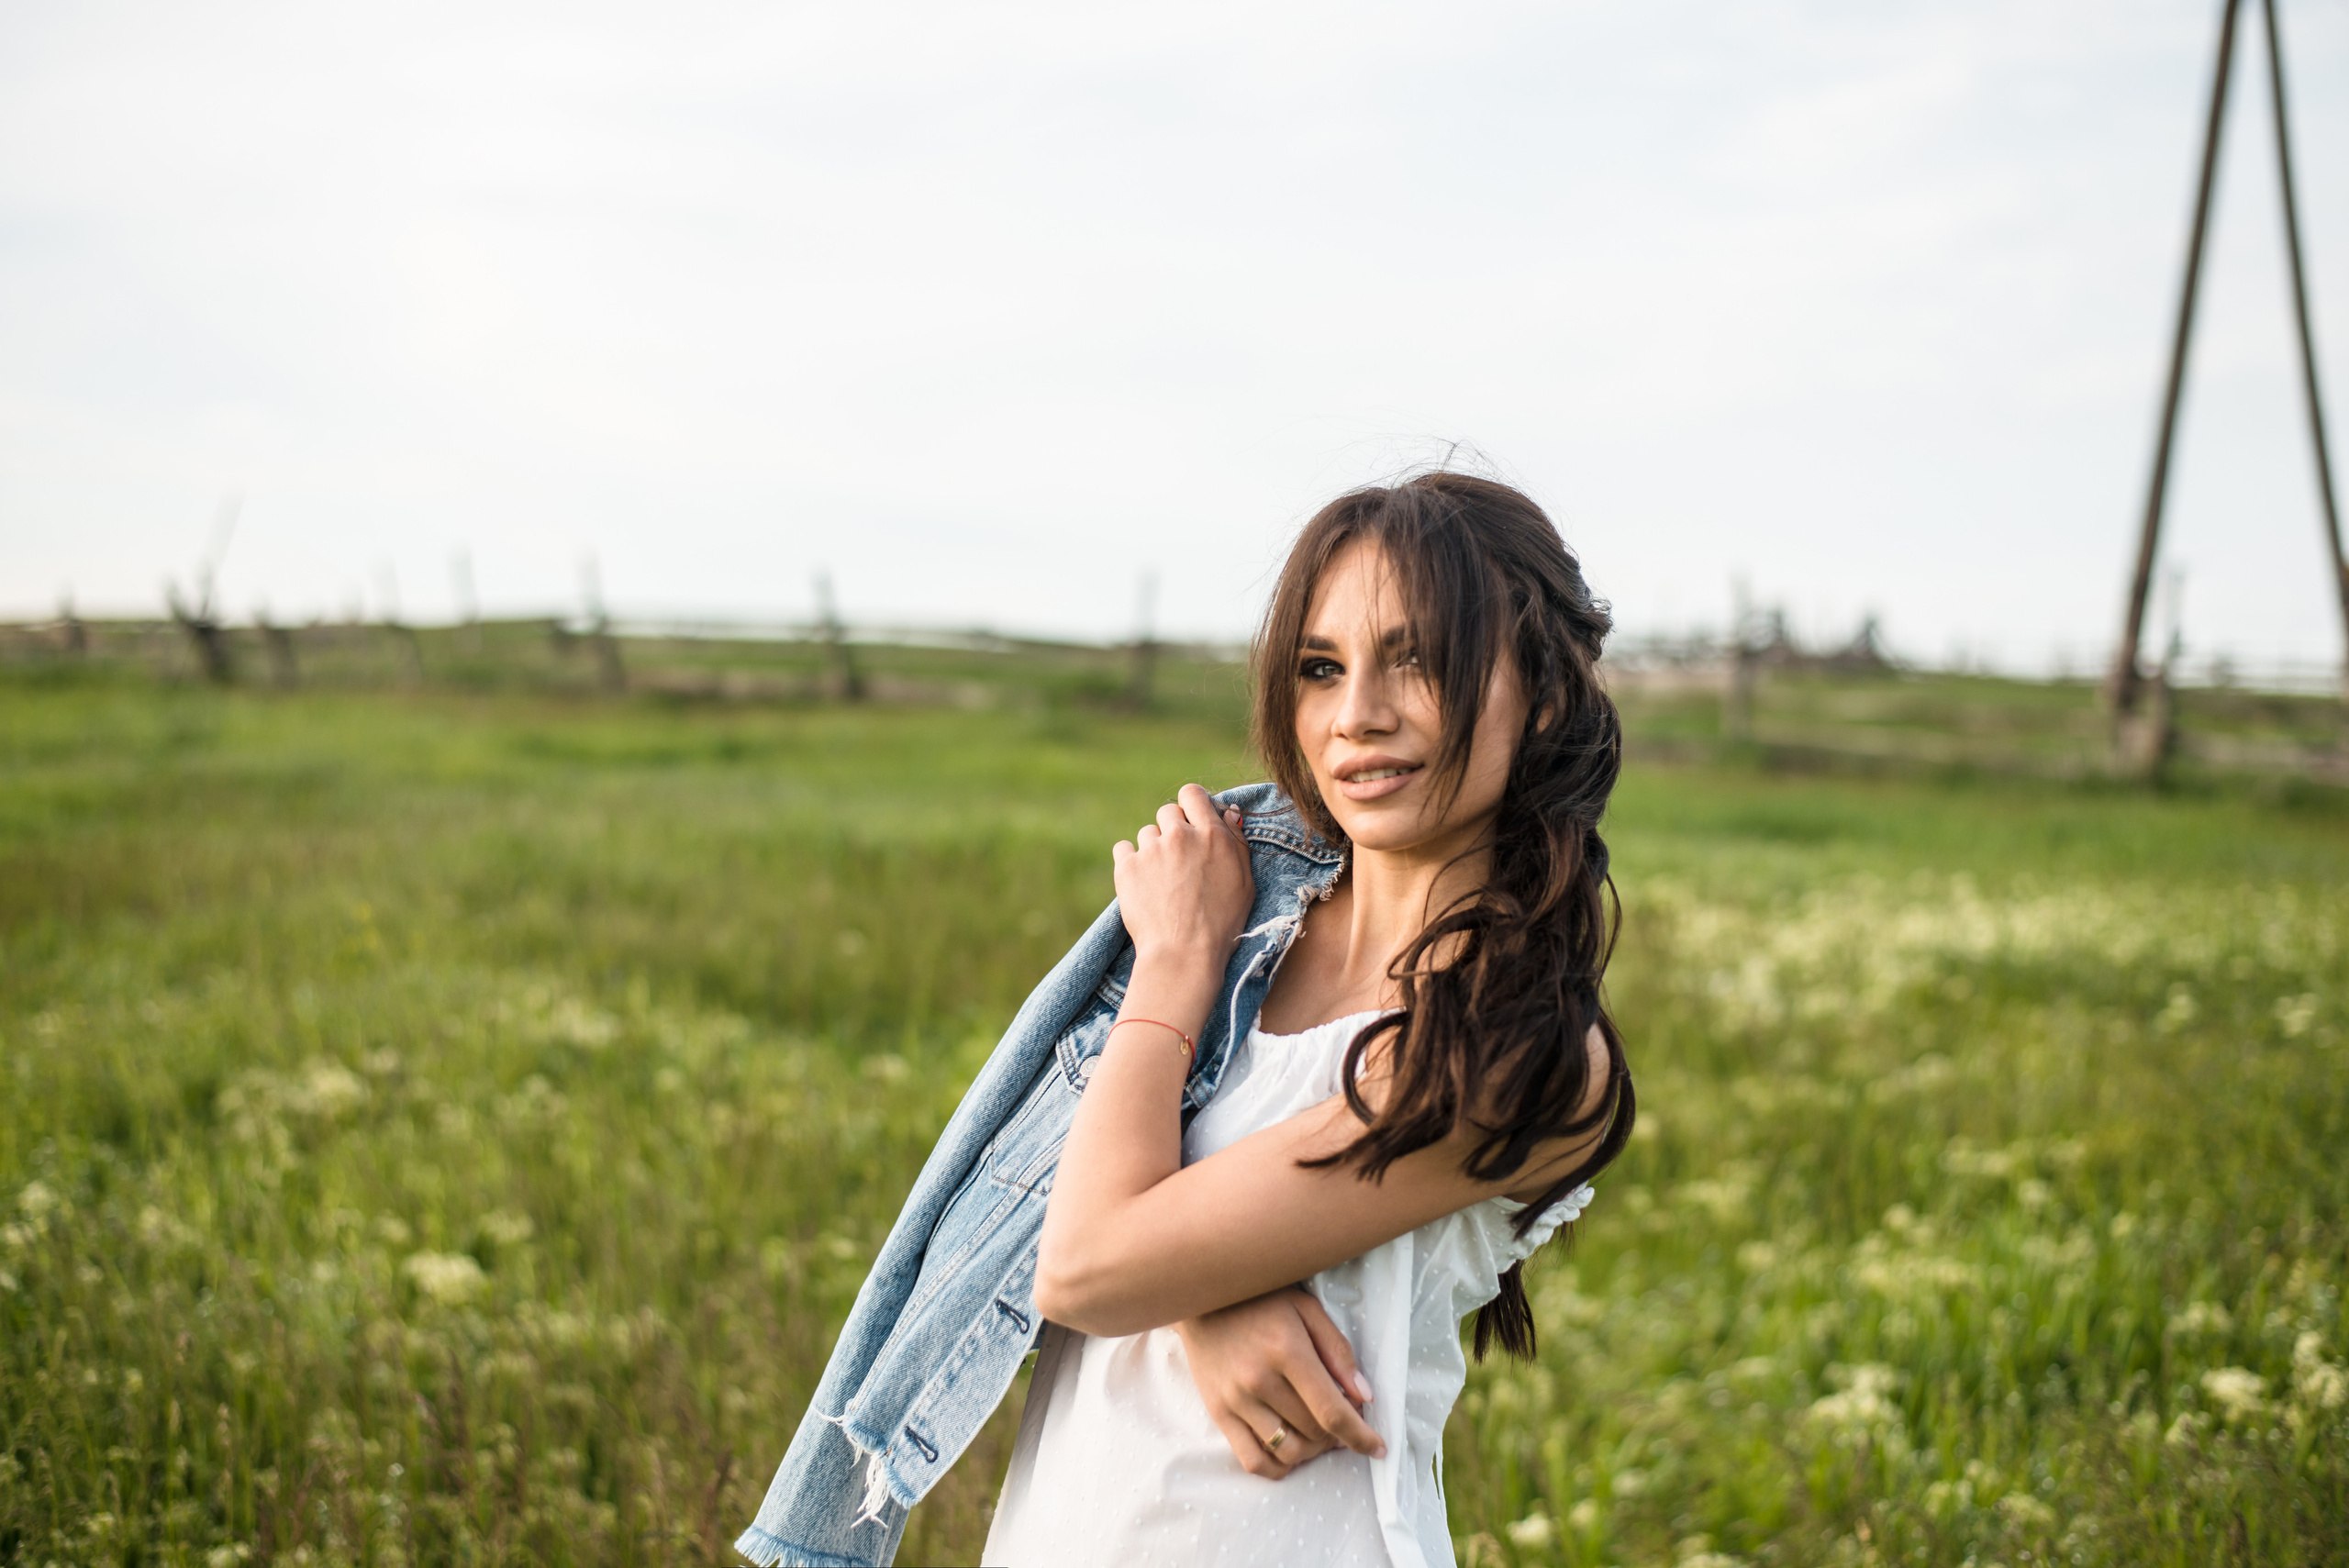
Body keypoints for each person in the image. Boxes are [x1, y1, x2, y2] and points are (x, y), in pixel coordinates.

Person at [733, 473, 1632, 1568]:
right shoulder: (1249, 929)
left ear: (1539, 689)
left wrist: (1170, 965)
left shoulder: (1510, 1045)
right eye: (1320, 667)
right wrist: (1204, 1300)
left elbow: (1086, 1261)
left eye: (1418, 658)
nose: (1357, 715)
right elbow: (1106, 1220)